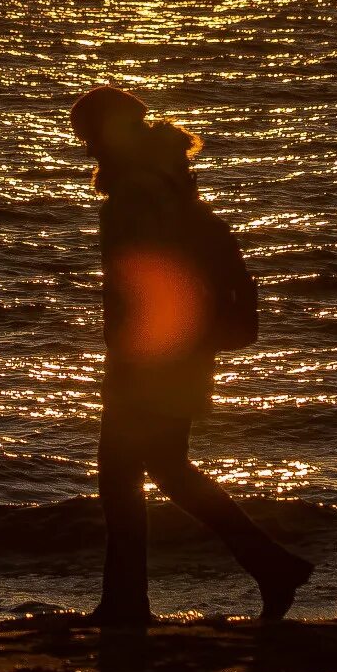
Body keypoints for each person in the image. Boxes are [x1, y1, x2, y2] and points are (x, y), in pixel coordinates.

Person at [72, 83, 314, 626]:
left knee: (124, 476)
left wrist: (138, 348)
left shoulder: (140, 191)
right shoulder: (161, 179)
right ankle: (268, 566)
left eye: (89, 135)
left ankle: (128, 604)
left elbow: (153, 276)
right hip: (173, 349)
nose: (87, 148)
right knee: (164, 469)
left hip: (153, 352)